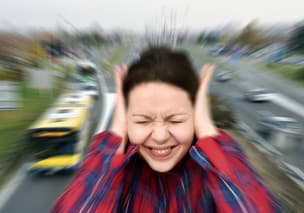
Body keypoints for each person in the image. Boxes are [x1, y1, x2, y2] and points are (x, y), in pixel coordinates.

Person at [52, 47, 282, 212]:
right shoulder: (114, 173)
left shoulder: (211, 172)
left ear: (195, 116)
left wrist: (207, 130)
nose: (160, 137)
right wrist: (115, 135)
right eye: (142, 121)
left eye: (175, 120)